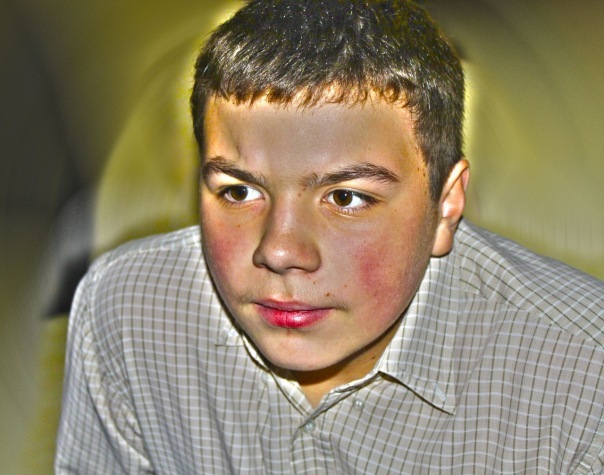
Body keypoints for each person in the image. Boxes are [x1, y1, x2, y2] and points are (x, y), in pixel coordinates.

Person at [55, 0, 604, 473]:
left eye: (346, 197)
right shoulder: (127, 309)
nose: (279, 250)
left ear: (446, 205)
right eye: (239, 191)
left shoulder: (584, 374)